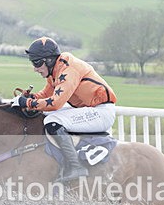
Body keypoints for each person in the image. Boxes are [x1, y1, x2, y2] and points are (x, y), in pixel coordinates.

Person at [13, 36, 118, 182]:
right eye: (33, 63)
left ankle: (75, 166)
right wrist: (31, 97)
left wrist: (28, 103)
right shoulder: (56, 70)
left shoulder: (68, 70)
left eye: (37, 63)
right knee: (45, 114)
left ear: (49, 60)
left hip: (101, 112)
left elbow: (55, 103)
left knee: (52, 120)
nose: (35, 68)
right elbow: (46, 94)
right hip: (91, 109)